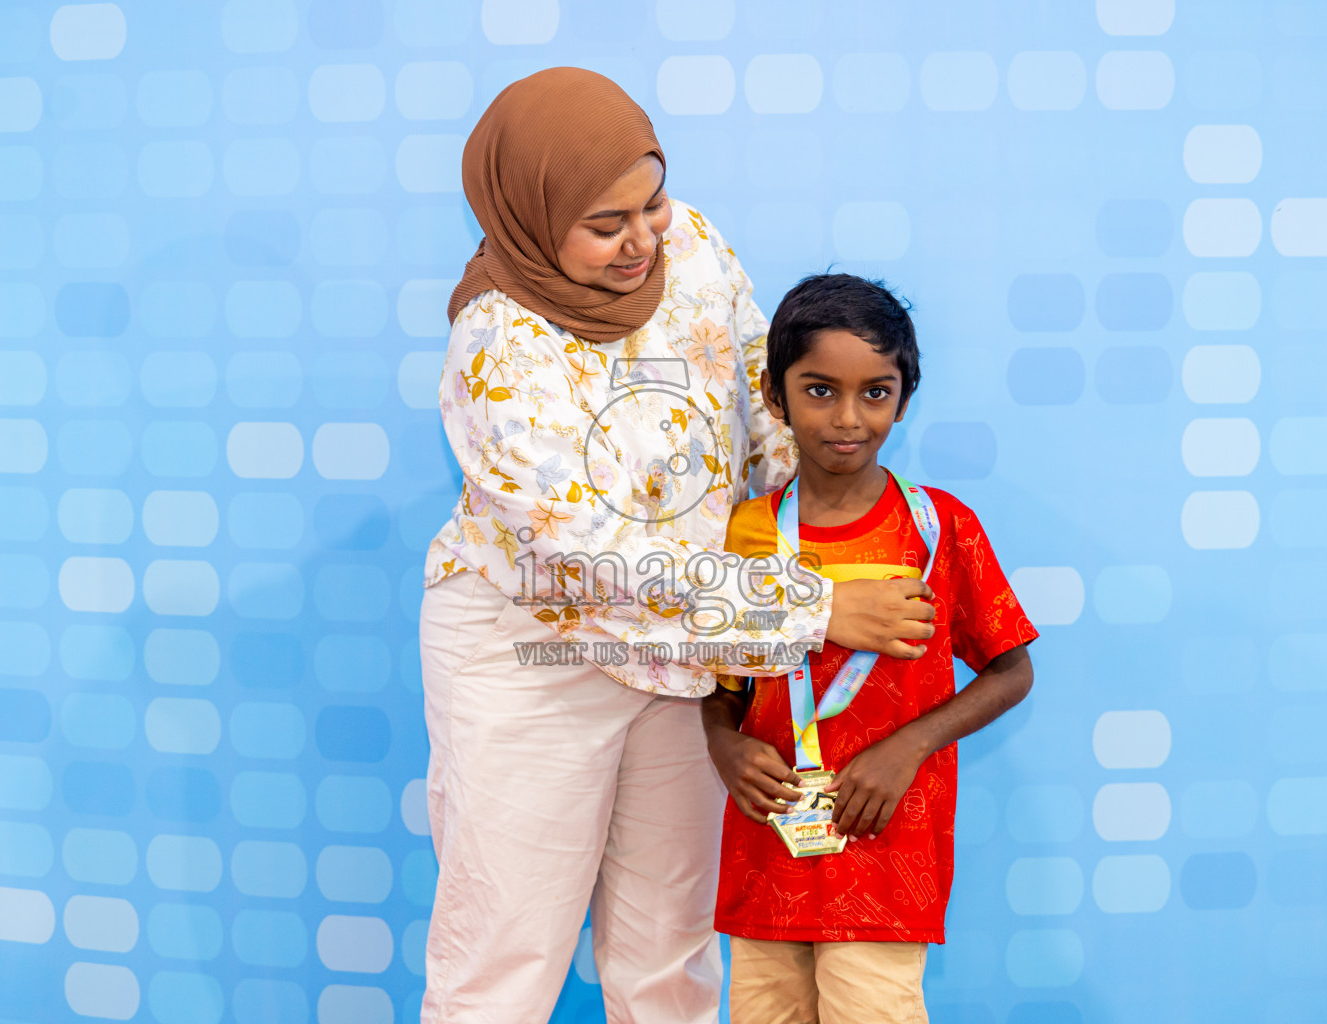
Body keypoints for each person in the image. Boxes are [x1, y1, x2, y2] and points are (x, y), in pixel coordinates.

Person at [418, 70, 936, 1023]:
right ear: (531, 215)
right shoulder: (494, 347)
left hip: (694, 656)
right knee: (505, 952)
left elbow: (764, 418)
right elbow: (592, 558)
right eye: (605, 222)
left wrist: (820, 534)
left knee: (672, 948)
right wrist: (813, 609)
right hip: (535, 652)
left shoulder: (690, 245)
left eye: (651, 200)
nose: (643, 239)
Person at [703, 274, 1040, 1024]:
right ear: (774, 394)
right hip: (769, 854)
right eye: (819, 391)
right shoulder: (745, 534)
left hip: (885, 860)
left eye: (875, 393)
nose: (847, 418)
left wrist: (909, 747)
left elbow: (1011, 670)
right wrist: (723, 748)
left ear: (904, 397)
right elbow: (723, 686)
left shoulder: (940, 529)